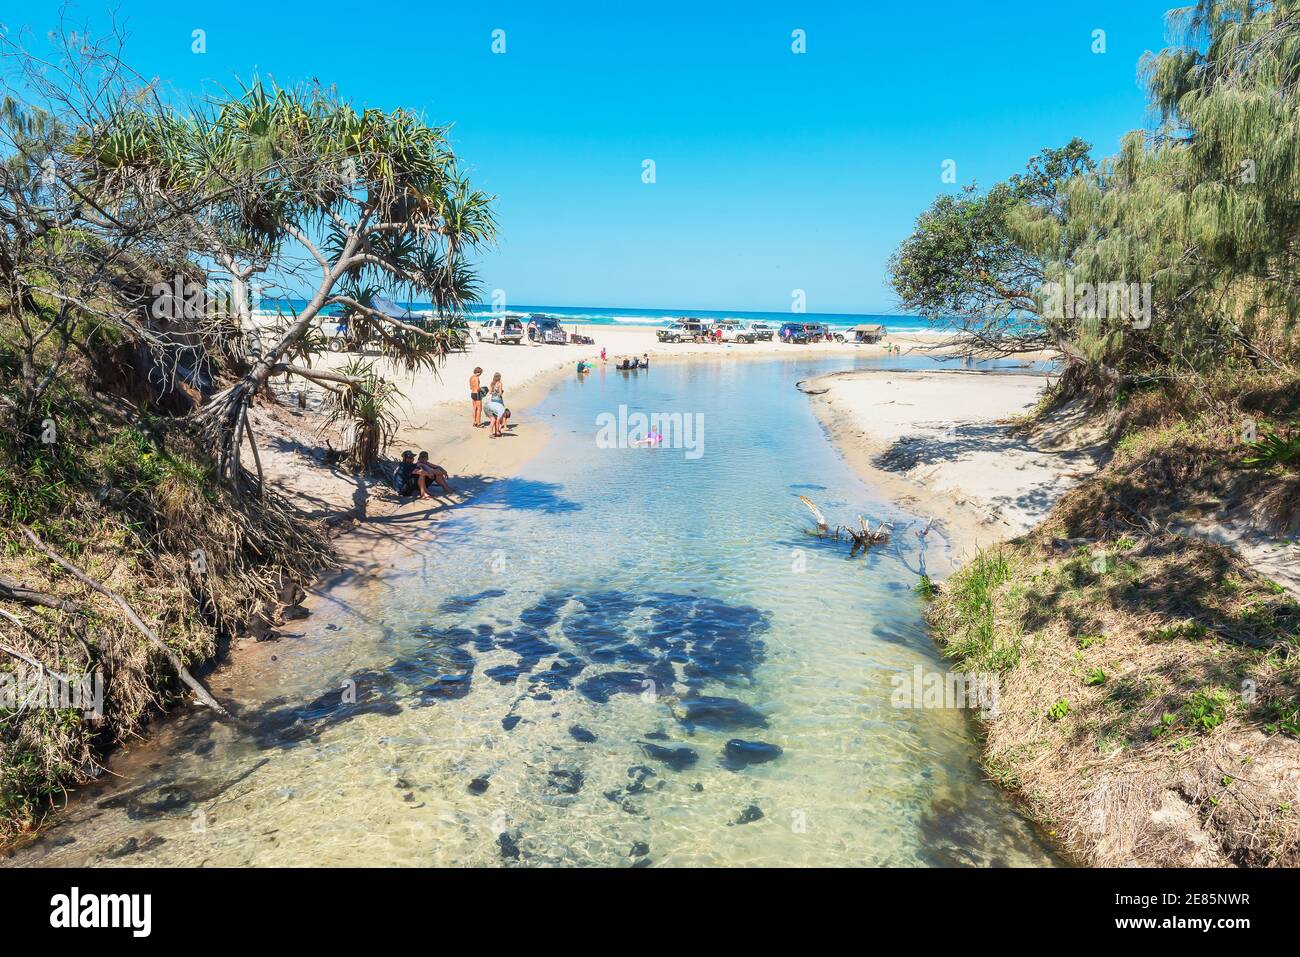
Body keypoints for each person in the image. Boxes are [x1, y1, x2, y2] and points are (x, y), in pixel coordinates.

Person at [485, 372, 511, 438]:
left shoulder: (492, 383)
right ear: (499, 378)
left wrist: (494, 392)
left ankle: (495, 431)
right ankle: (498, 431)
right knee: (500, 416)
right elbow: (500, 394)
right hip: (499, 400)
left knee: (495, 417)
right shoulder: (499, 383)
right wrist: (501, 391)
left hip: (493, 400)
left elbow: (490, 392)